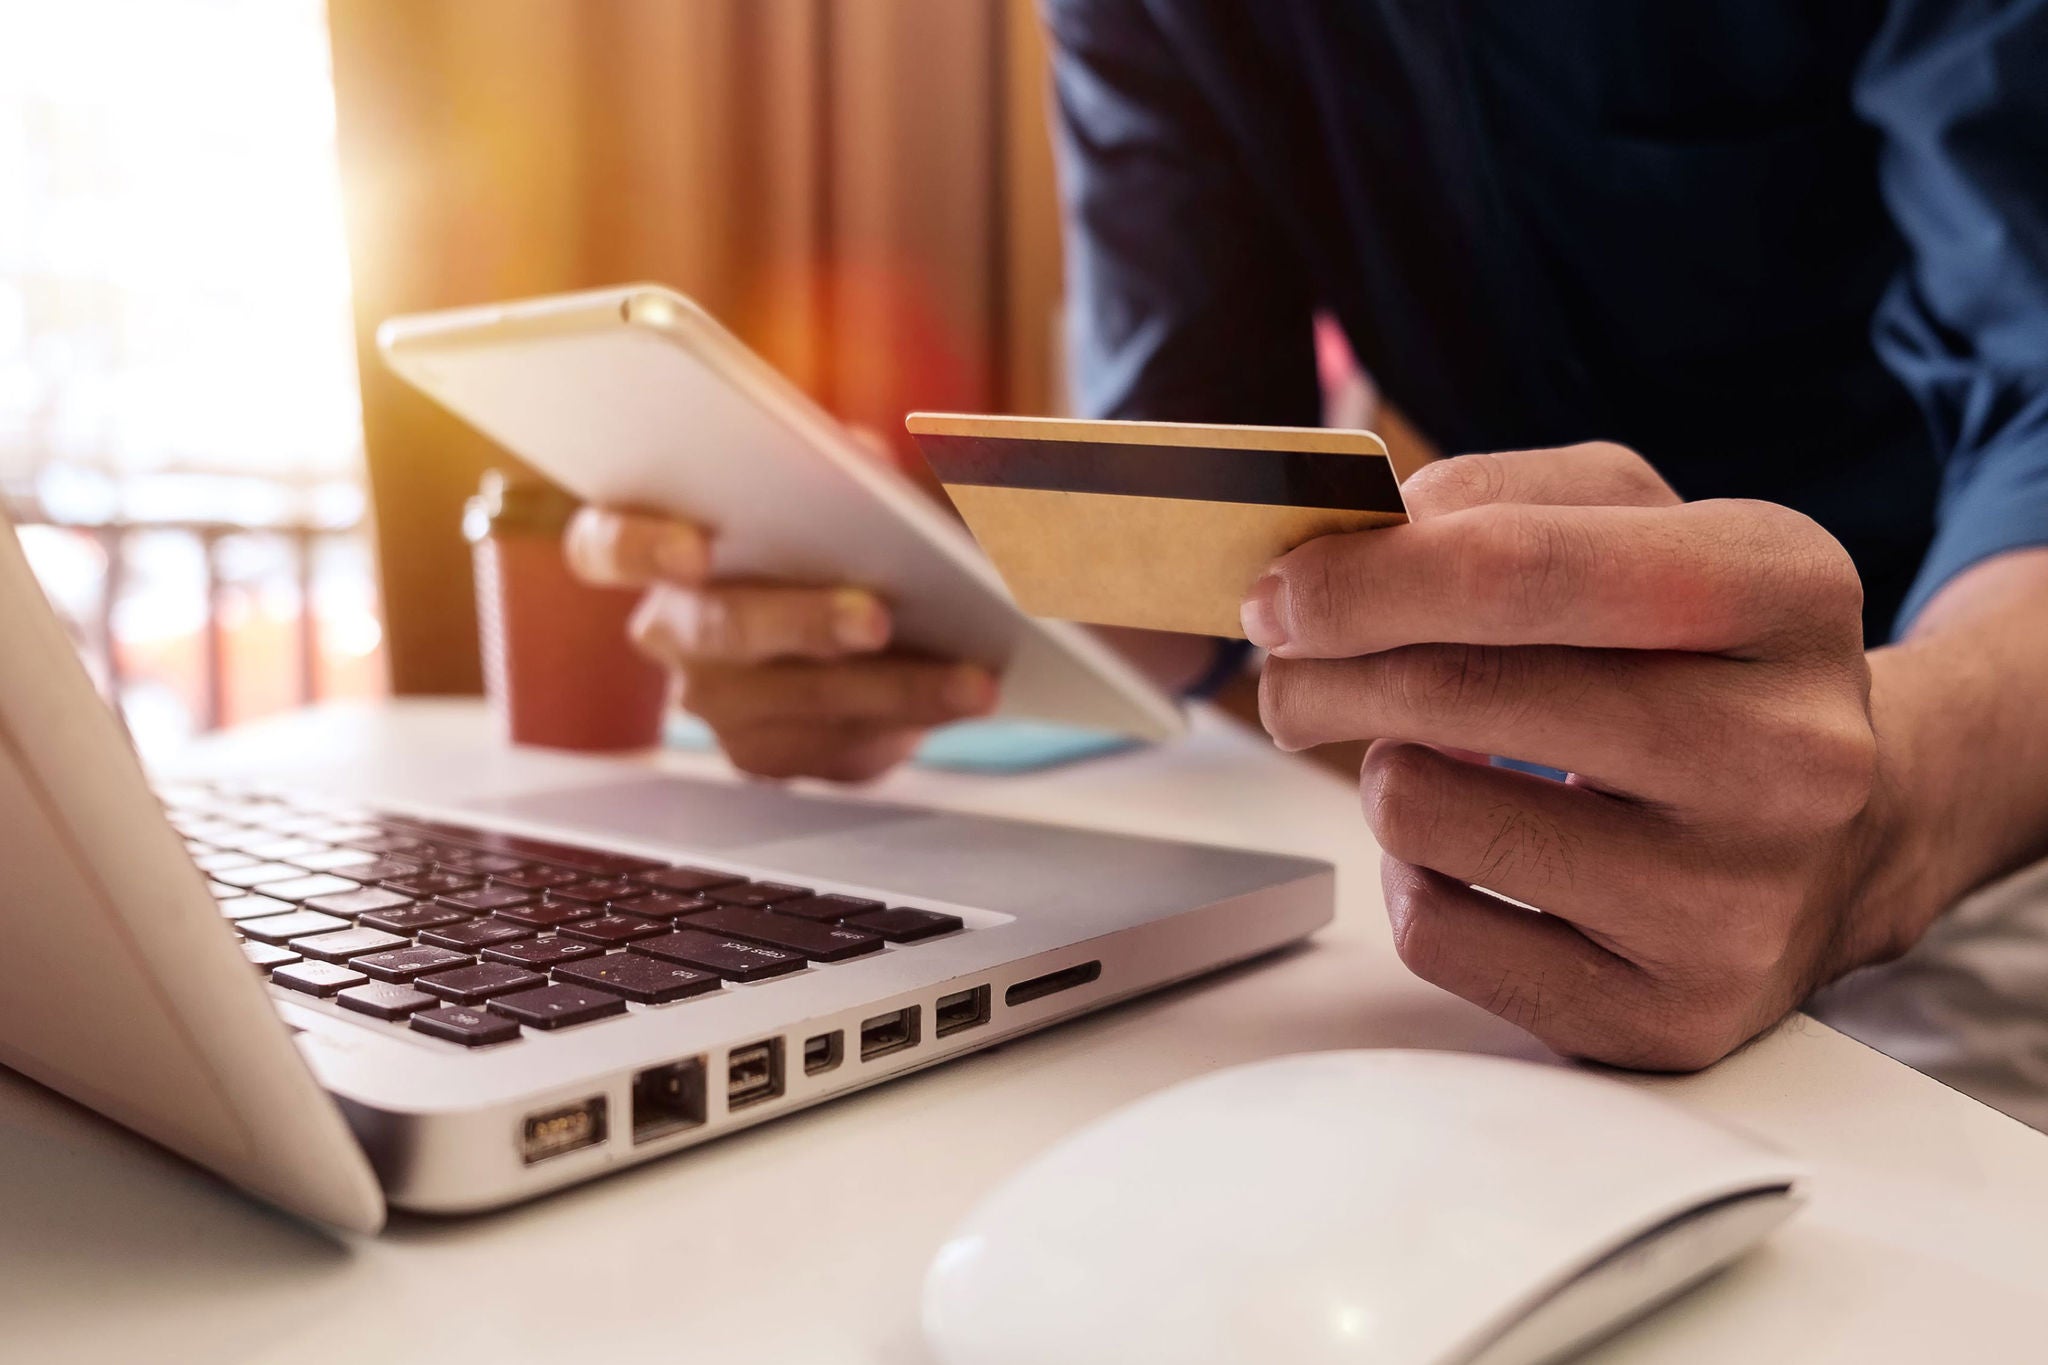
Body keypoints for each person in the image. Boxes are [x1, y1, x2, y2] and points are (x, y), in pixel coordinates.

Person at [565, 0, 2048, 1075]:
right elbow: (1194, 542)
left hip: (1974, 760)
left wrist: (1888, 809)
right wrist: (904, 598)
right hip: (1551, 816)